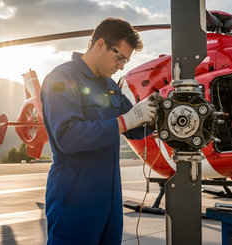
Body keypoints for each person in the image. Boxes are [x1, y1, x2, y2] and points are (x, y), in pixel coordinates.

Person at [40, 18, 157, 244]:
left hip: (110, 202)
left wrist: (157, 115)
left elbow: (134, 129)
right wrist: (125, 121)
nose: (122, 66)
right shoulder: (62, 78)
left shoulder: (110, 86)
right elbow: (68, 136)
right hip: (75, 201)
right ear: (100, 44)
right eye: (119, 57)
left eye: (126, 61)